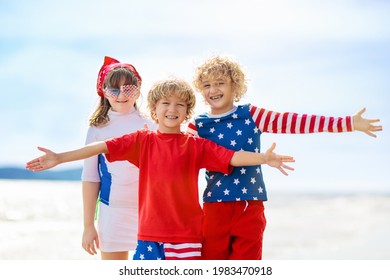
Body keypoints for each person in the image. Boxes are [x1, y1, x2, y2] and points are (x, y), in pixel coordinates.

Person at [26, 77, 295, 260]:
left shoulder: (195, 145)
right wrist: (59, 157)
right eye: (165, 103)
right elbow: (101, 147)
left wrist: (263, 159)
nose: (172, 109)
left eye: (180, 104)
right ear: (154, 110)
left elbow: (232, 156)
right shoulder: (142, 140)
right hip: (148, 237)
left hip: (188, 238)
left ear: (187, 112)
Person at [188, 54, 383, 260]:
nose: (213, 90)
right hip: (215, 206)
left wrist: (348, 123)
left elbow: (293, 122)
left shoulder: (251, 115)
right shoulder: (198, 125)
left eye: (220, 83)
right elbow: (177, 156)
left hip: (250, 205)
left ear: (235, 86)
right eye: (207, 85)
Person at [81, 56, 156, 260]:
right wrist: (88, 226)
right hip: (112, 213)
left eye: (128, 88)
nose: (121, 95)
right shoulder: (97, 128)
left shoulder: (153, 124)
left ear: (138, 88)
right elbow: (90, 178)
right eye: (113, 89)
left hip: (150, 213)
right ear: (103, 92)